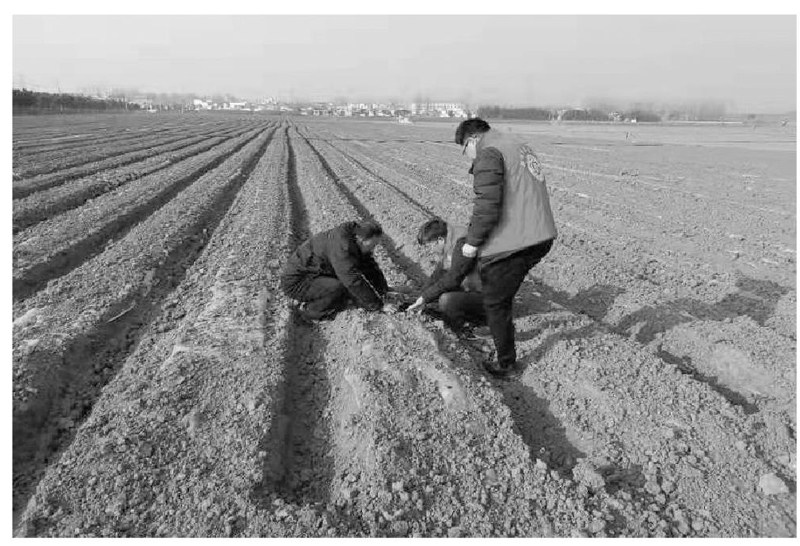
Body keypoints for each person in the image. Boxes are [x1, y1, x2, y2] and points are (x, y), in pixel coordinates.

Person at [454, 118, 557, 378]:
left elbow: (487, 205)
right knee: (501, 289)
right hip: (540, 232)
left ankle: (506, 364)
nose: (467, 156)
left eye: (464, 149)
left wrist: (472, 243)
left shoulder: (489, 153)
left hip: (517, 238)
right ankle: (497, 327)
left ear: (472, 139)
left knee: (495, 301)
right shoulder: (516, 145)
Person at [280, 220, 392, 321]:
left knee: (348, 291)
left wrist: (383, 290)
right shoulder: (342, 249)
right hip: (297, 282)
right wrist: (379, 306)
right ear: (361, 239)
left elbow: (369, 265)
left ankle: (327, 299)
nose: (373, 248)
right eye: (373, 244)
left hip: (315, 273)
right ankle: (309, 312)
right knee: (338, 287)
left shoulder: (354, 240)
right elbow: (352, 280)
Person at [407, 218, 487, 333]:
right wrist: (422, 295)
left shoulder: (462, 243)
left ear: (440, 240)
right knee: (436, 294)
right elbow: (440, 272)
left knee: (446, 300)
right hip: (473, 287)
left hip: (489, 295)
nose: (430, 250)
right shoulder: (449, 239)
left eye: (430, 246)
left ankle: (464, 330)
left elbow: (453, 279)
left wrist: (425, 297)